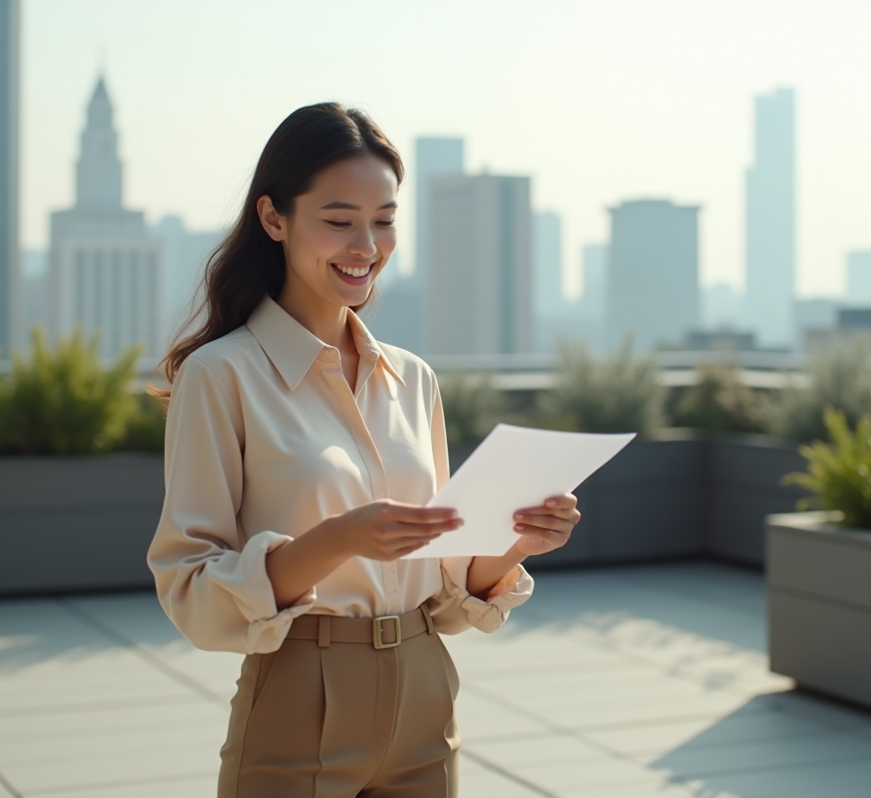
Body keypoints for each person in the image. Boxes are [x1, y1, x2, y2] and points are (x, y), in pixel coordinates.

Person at [146, 102, 581, 797]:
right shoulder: (221, 376)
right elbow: (191, 589)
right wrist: (340, 538)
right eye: (340, 220)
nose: (367, 245)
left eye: (384, 220)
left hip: (425, 693)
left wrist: (518, 542)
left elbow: (444, 586)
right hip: (297, 697)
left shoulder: (412, 380)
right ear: (274, 219)